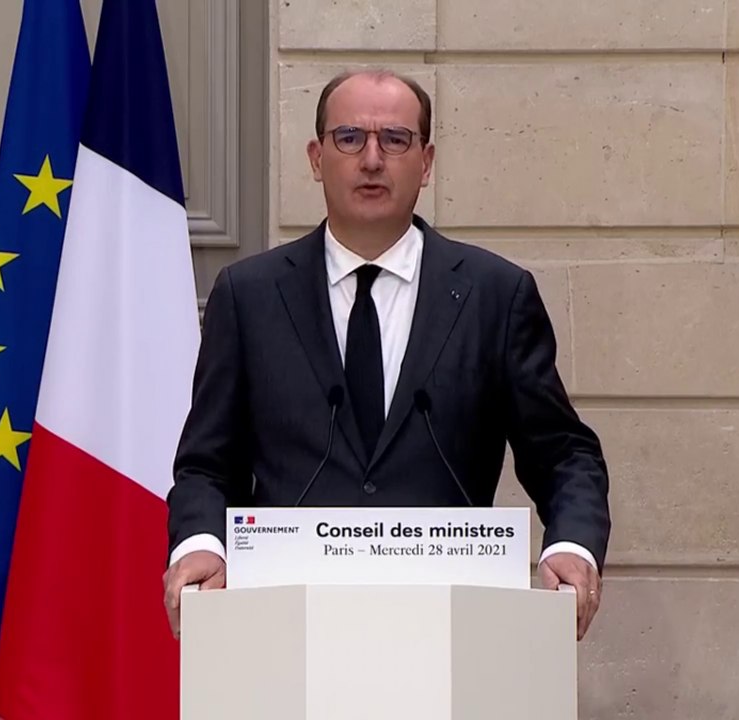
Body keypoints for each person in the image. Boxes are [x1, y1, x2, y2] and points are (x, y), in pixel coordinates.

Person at [162, 69, 611, 639]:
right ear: (315, 157)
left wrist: (571, 546)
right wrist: (202, 543)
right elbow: (207, 464)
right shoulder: (249, 295)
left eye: (394, 140)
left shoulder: (494, 294)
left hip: (449, 631)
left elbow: (565, 455)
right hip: (281, 632)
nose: (371, 159)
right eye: (349, 138)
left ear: (425, 163)